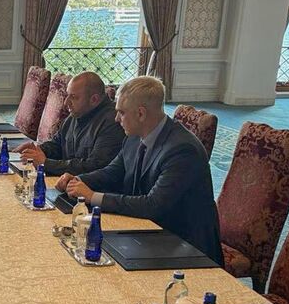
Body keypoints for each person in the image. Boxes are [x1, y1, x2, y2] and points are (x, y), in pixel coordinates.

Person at [56, 76, 223, 264]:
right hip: (148, 231)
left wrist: (92, 196)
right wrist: (77, 180)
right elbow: (113, 171)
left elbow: (153, 205)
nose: (116, 118)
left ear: (141, 114)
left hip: (185, 244)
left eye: (121, 113)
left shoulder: (182, 150)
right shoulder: (134, 136)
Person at [13, 72, 124, 176]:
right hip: (68, 181)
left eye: (74, 97)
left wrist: (46, 163)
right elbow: (57, 145)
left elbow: (95, 167)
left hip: (87, 187)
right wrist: (37, 150)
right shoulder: (77, 114)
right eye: (67, 95)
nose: (66, 102)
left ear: (94, 99)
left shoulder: (113, 122)